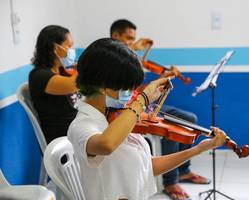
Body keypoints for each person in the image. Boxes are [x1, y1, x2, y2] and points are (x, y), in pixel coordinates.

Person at [67, 38, 226, 200]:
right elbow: (107, 144)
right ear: (102, 85)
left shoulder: (115, 116)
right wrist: (142, 100)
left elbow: (146, 167)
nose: (130, 93)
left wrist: (198, 149)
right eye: (126, 87)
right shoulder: (82, 125)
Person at [110, 19, 211, 200]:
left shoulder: (127, 56)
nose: (132, 42)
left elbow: (134, 90)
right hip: (131, 107)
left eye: (133, 39)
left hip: (142, 102)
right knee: (168, 128)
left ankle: (183, 170)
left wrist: (159, 81)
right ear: (115, 35)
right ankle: (170, 181)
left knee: (190, 119)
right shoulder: (110, 59)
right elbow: (126, 94)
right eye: (128, 38)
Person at [29, 25, 78, 144]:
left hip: (76, 128)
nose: (72, 50)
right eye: (69, 46)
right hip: (62, 138)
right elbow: (73, 85)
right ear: (55, 48)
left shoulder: (61, 70)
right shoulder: (39, 76)